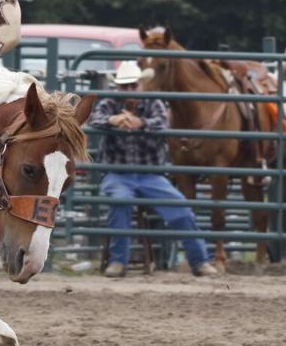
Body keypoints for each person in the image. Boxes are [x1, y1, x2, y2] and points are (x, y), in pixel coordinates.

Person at [89, 61, 219, 277]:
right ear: (118, 87)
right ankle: (118, 261)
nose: (129, 90)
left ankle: (199, 261)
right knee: (121, 202)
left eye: (133, 85)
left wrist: (141, 123)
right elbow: (94, 120)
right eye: (124, 86)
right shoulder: (109, 103)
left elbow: (162, 124)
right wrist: (113, 120)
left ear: (140, 84)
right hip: (118, 173)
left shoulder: (153, 103)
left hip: (150, 175)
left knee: (181, 209)